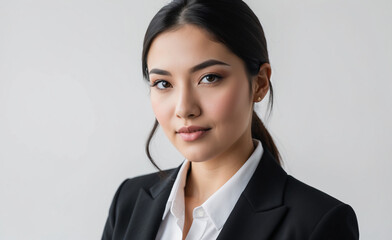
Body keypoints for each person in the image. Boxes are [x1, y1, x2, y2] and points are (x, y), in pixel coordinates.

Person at [102, 0, 359, 239]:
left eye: (209, 78)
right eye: (163, 83)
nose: (184, 108)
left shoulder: (317, 223)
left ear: (259, 83)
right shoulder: (129, 201)